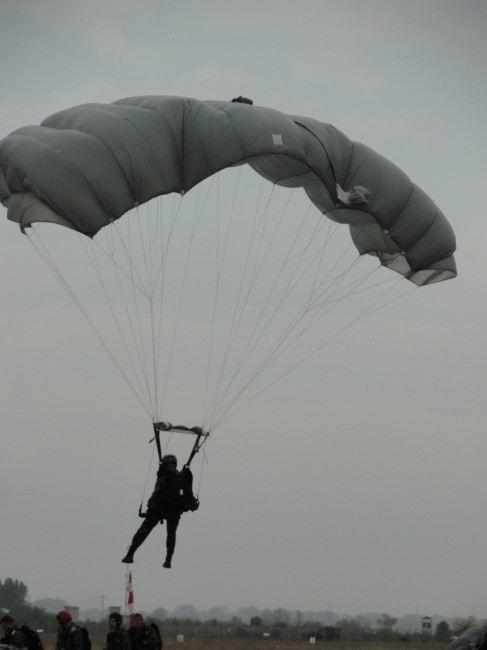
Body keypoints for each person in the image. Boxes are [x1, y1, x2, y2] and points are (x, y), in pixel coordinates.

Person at [122, 454, 199, 568]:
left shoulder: (164, 477)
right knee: (171, 535)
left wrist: (149, 509)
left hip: (159, 509)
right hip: (174, 511)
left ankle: (131, 553)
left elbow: (156, 493)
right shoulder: (181, 477)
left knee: (144, 530)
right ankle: (168, 560)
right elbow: (188, 495)